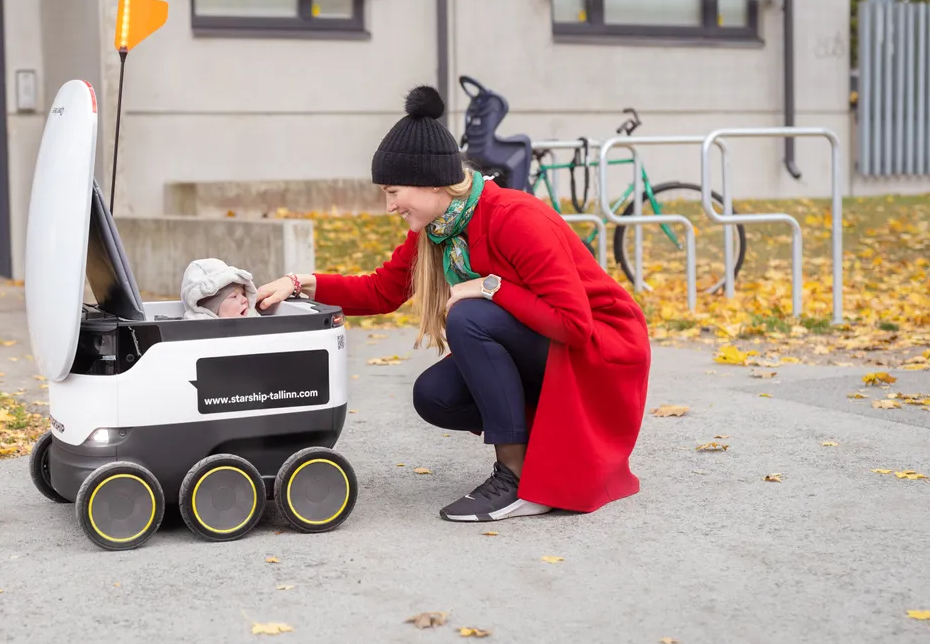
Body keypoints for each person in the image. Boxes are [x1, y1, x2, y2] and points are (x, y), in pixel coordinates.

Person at [255, 86, 651, 522]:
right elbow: (381, 291)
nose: (389, 207)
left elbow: (575, 325)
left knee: (469, 316)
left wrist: (491, 288)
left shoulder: (515, 219)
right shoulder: (437, 230)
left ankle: (516, 479)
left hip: (602, 350)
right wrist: (300, 283)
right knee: (435, 395)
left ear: (429, 183)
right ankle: (546, 452)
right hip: (552, 344)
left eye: (393, 192)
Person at [181, 258, 260, 320]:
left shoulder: (256, 323)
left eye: (243, 294)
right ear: (211, 311)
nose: (245, 299)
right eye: (234, 296)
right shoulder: (201, 333)